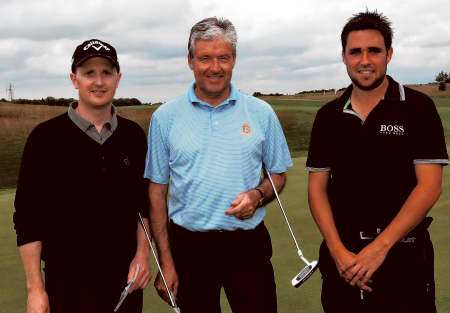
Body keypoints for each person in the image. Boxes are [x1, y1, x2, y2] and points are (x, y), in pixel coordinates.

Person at [145, 17, 292, 313]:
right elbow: (156, 193)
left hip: (247, 246)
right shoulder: (165, 117)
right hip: (189, 248)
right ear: (190, 61)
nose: (215, 67)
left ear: (234, 59)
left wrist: (257, 195)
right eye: (205, 58)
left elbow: (278, 175)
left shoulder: (261, 112)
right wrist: (165, 262)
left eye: (223, 57)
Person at [306, 11, 449, 313]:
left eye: (374, 50)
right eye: (355, 52)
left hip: (404, 257)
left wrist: (378, 249)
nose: (365, 60)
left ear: (389, 54)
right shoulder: (328, 116)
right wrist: (337, 252)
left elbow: (429, 186)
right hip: (341, 260)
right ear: (344, 57)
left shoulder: (419, 108)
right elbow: (317, 189)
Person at [13, 39, 151, 313]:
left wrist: (143, 255)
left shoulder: (133, 136)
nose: (98, 81)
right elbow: (28, 217)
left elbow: (142, 206)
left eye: (107, 72)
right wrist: (36, 289)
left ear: (118, 78)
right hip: (65, 286)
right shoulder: (45, 138)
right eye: (89, 72)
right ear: (74, 79)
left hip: (125, 283)